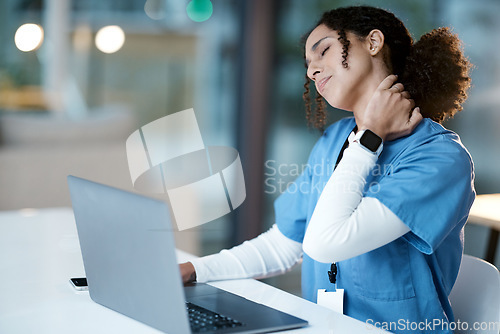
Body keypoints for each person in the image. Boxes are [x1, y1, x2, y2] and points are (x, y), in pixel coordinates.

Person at [180, 5, 474, 333]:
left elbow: (325, 243)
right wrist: (194, 269)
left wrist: (369, 139)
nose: (312, 71)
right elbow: (285, 244)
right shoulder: (335, 140)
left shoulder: (439, 158)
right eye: (307, 65)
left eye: (324, 51)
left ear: (373, 42)